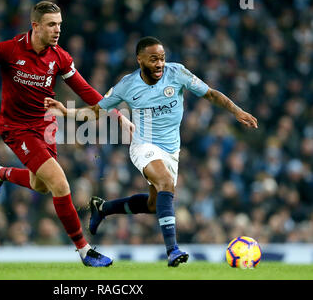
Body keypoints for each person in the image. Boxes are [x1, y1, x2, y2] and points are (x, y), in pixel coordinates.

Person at [44, 36, 258, 267]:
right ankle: (172, 250)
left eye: (162, 58)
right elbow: (96, 111)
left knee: (154, 205)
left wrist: (237, 111)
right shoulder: (127, 85)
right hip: (143, 145)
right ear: (140, 60)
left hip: (171, 150)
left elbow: (211, 94)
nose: (159, 64)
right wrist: (66, 112)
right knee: (166, 183)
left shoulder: (177, 73)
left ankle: (103, 208)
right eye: (153, 59)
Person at [0, 1, 133, 267]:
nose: (57, 30)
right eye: (52, 24)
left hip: (45, 127)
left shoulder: (60, 57)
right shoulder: (9, 49)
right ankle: (85, 251)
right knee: (60, 185)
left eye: (60, 24)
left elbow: (85, 90)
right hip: (17, 129)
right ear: (36, 26)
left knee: (41, 184)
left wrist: (117, 116)